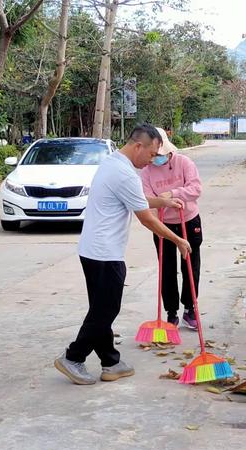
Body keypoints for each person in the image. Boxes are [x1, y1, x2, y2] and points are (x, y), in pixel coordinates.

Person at [54, 124, 191, 386]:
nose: (152, 160)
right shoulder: (124, 174)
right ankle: (73, 357)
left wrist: (163, 201)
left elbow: (136, 199)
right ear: (138, 146)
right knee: (106, 310)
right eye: (151, 154)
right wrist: (177, 240)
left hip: (93, 249)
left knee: (101, 308)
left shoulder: (113, 163)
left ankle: (110, 361)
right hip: (105, 253)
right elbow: (146, 219)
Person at [141, 128, 203, 329]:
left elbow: (195, 189)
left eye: (159, 154)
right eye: (154, 155)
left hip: (189, 219)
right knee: (166, 268)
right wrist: (163, 202)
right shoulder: (147, 172)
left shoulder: (184, 163)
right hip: (162, 223)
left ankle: (190, 308)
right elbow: (147, 200)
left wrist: (173, 193)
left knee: (190, 264)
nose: (156, 159)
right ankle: (171, 311)